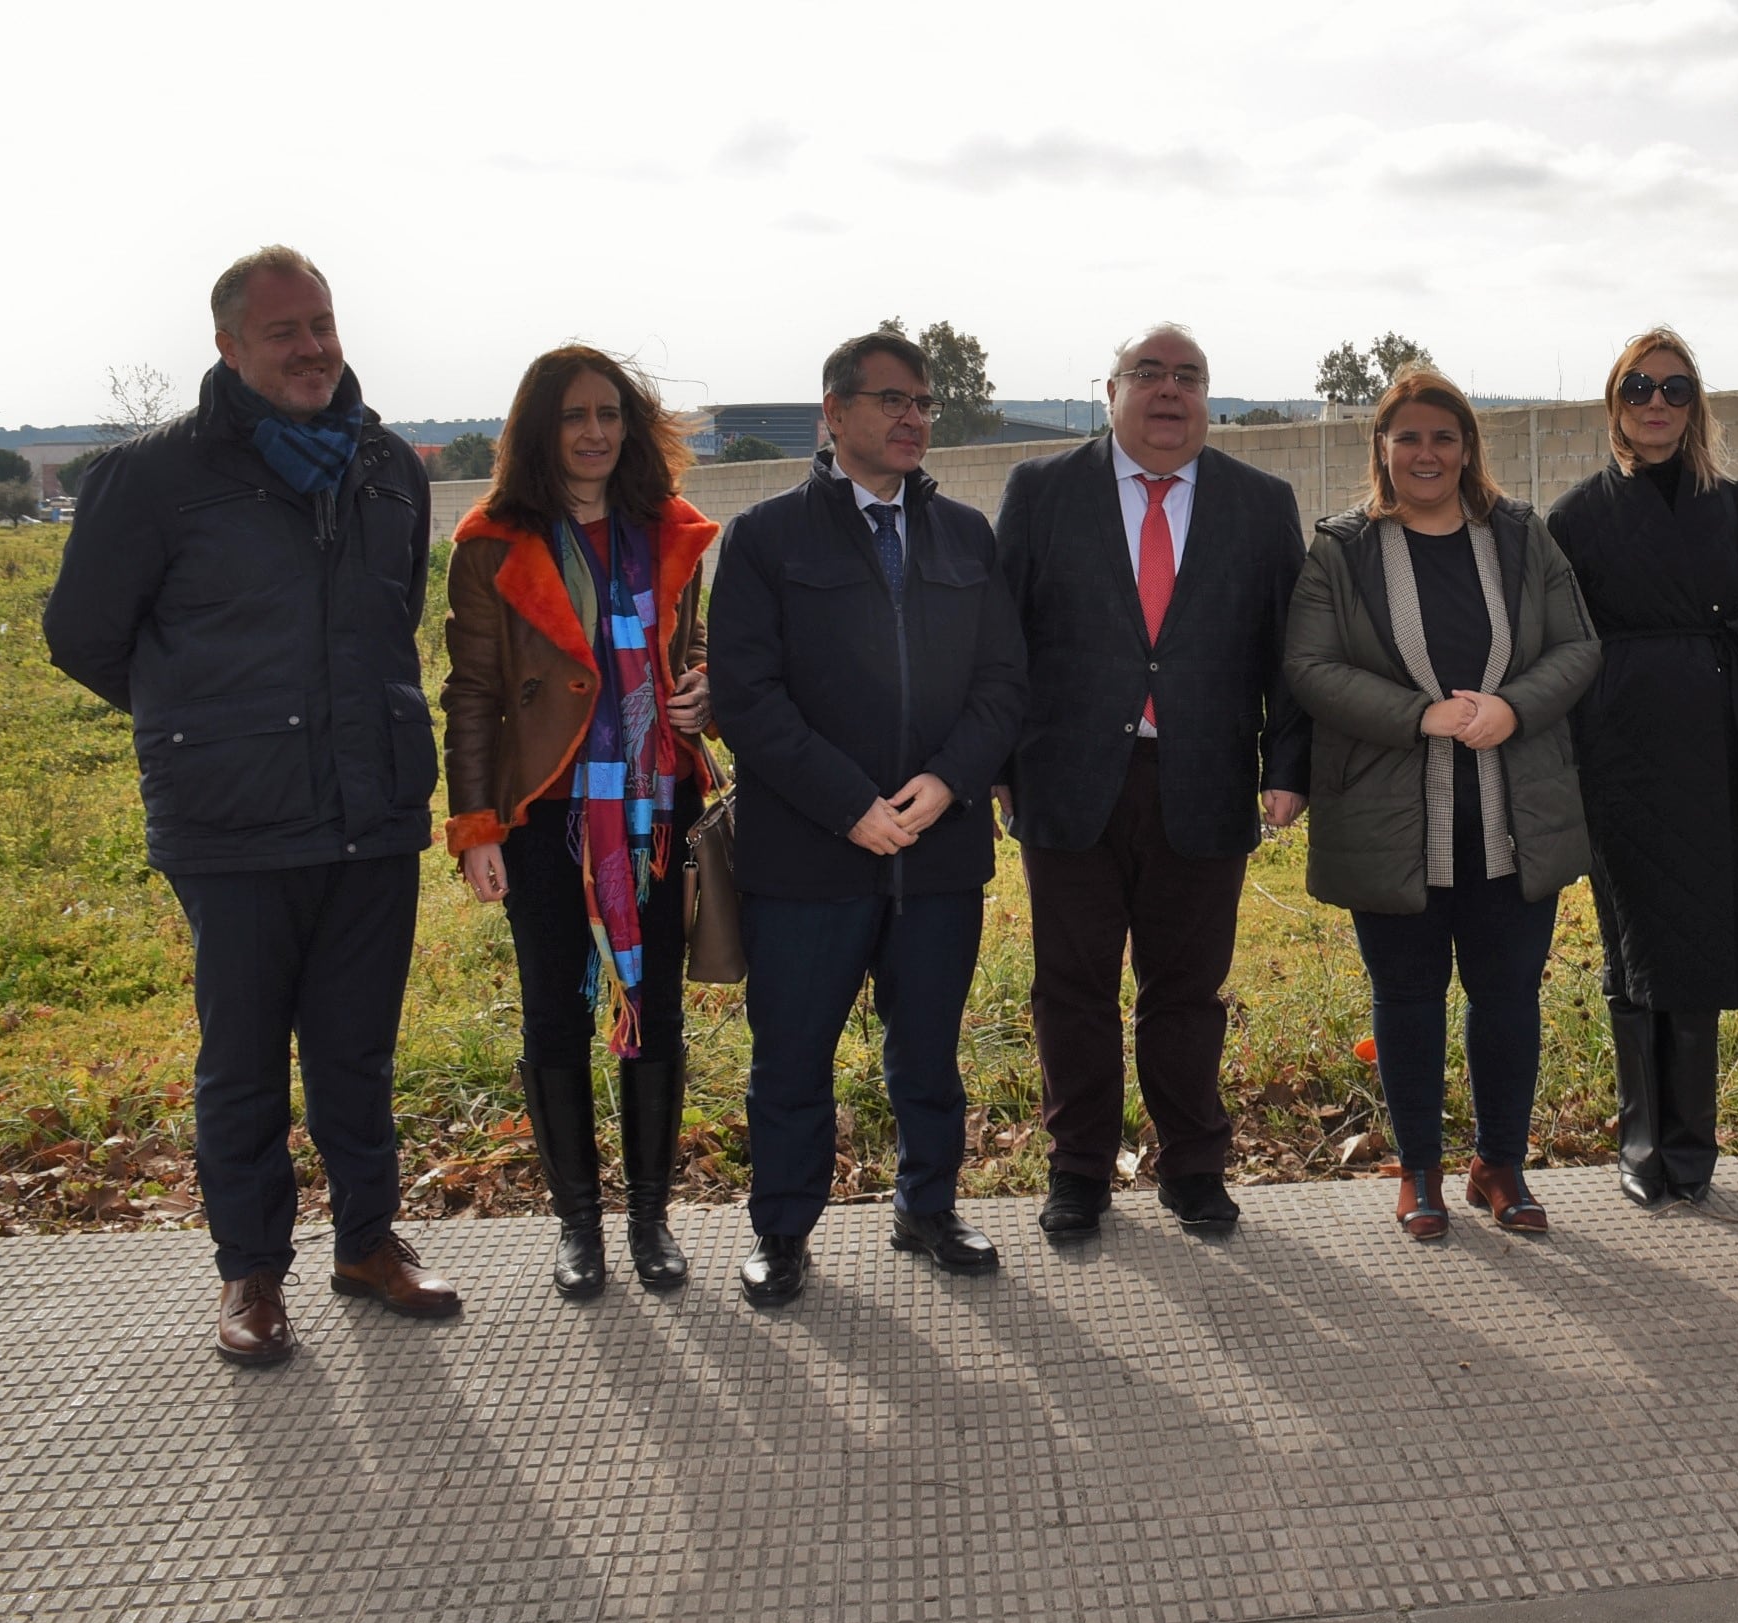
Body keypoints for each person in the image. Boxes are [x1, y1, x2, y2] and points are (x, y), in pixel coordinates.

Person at [42, 245, 457, 1366]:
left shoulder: (385, 467)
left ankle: (368, 1243)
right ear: (229, 346)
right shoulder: (155, 478)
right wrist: (204, 716)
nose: (313, 347)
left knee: (358, 1048)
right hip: (230, 821)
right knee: (242, 1058)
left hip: (371, 809)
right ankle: (250, 1273)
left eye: (321, 323)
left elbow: (392, 616)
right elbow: (81, 633)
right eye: (285, 332)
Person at [708, 329, 1028, 1304]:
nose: (911, 418)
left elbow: (1003, 680)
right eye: (889, 399)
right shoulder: (766, 538)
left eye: (922, 402)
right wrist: (848, 804)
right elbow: (747, 696)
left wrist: (947, 783)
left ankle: (926, 1205)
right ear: (832, 414)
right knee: (792, 1056)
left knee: (928, 1048)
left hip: (937, 853)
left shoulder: (966, 535)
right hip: (807, 855)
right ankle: (783, 1229)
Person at [994, 325, 1309, 1239]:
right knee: (1072, 988)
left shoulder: (1260, 502)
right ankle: (1079, 1169)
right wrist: (1005, 768)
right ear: (1111, 390)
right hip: (1070, 782)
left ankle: (1194, 1165)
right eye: (1149, 375)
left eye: (1189, 378)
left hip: (1205, 781)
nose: (1169, 392)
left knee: (1187, 989)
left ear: (1207, 397)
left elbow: (1288, 649)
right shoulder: (1044, 491)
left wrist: (1288, 768)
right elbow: (1004, 640)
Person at [1283, 370, 1601, 1240]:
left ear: (1469, 449)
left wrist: (1515, 708)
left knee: (1507, 1000)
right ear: (1381, 449)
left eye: (1444, 437)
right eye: (1408, 437)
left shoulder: (1522, 537)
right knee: (1408, 998)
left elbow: (1578, 646)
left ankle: (1500, 1165)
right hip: (1392, 824)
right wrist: (1419, 715)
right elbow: (1310, 668)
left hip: (1514, 818)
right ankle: (1418, 1169)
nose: (1427, 454)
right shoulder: (1341, 552)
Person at [442, 347, 717, 1299]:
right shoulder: (492, 544)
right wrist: (476, 825)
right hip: (545, 813)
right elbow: (472, 694)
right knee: (554, 1011)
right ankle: (577, 1227)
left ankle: (649, 1218)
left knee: (658, 1007)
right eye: (574, 417)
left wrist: (702, 692)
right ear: (539, 432)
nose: (595, 433)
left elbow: (697, 648)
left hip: (654, 807)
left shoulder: (667, 532)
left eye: (610, 414)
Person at [1546, 330, 1738, 1207]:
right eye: (1640, 387)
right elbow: (1557, 639)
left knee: (1701, 940)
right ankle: (1640, 1138)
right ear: (1615, 399)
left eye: (1676, 389)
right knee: (1633, 943)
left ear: (1696, 405)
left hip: (1717, 749)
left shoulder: (1732, 506)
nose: (1657, 403)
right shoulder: (1576, 517)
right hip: (1621, 755)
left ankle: (1694, 1142)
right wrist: (1600, 713)